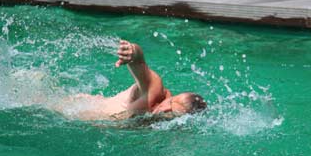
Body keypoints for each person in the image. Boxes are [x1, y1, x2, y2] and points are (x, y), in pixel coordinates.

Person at [56, 40, 206, 120]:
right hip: (67, 109)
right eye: (170, 103)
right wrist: (132, 52)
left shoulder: (160, 122)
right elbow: (141, 65)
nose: (165, 109)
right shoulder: (155, 92)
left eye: (172, 114)